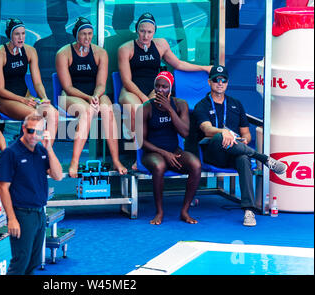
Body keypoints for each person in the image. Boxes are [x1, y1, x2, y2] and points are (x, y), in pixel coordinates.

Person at [193, 65, 287, 227]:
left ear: (228, 83)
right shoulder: (202, 105)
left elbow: (247, 134)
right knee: (218, 136)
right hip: (213, 153)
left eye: (224, 80)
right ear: (209, 82)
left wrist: (241, 140)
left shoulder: (236, 104)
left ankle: (248, 210)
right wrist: (223, 132)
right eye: (216, 80)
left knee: (243, 158)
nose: (220, 83)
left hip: (235, 151)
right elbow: (206, 129)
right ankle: (263, 158)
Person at [117, 12, 211, 169]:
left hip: (155, 88)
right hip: (131, 89)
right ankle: (138, 156)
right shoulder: (125, 49)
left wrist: (204, 67)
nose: (145, 35)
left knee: (164, 106)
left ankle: (162, 150)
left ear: (154, 32)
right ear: (136, 30)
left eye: (149, 32)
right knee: (135, 109)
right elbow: (126, 80)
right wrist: (144, 99)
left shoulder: (161, 45)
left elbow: (179, 64)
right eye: (142, 31)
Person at [55, 17, 127, 177]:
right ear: (76, 35)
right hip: (71, 94)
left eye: (90, 33)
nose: (87, 38)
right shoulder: (64, 53)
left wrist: (95, 95)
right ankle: (75, 161)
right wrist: (88, 98)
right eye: (83, 34)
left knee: (109, 110)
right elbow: (67, 86)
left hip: (94, 92)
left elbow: (101, 83)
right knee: (87, 111)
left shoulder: (100, 53)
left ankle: (115, 160)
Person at [0, 113, 63, 275]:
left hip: (39, 213)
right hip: (22, 214)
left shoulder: (41, 150)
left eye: (38, 132)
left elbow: (58, 175)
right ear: (23, 128)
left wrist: (49, 148)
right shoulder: (10, 153)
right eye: (31, 131)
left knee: (33, 262)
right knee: (21, 262)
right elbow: (3, 188)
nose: (34, 135)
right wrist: (11, 219)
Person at [139, 71, 201, 225]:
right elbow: (140, 141)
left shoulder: (180, 104)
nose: (160, 90)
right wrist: (164, 153)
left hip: (174, 151)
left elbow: (185, 132)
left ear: (170, 89)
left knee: (196, 164)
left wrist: (170, 109)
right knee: (159, 166)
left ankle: (184, 211)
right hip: (152, 152)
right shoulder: (145, 108)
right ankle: (159, 211)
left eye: (164, 87)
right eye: (157, 87)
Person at [0, 18, 58, 145]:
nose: (21, 37)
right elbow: (0, 90)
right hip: (5, 100)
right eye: (17, 34)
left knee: (53, 113)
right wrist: (24, 100)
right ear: (9, 35)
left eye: (23, 33)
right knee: (35, 115)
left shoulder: (30, 51)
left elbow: (37, 82)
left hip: (25, 97)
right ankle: (28, 152)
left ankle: (45, 152)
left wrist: (44, 98)